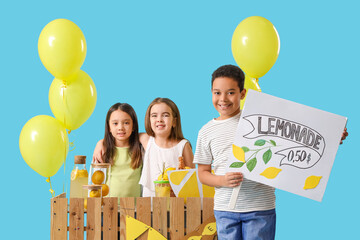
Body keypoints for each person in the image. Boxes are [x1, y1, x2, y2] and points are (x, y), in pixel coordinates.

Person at [193, 64, 348, 240]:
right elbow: (203, 173)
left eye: (230, 92)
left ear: (242, 94)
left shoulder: (259, 119)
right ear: (211, 93)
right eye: (217, 92)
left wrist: (332, 135)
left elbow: (299, 134)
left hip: (260, 207)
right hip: (225, 209)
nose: (223, 99)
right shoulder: (206, 131)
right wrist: (221, 180)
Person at [93, 98, 194, 197]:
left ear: (174, 121)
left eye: (165, 115)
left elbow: (192, 184)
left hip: (175, 206)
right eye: (154, 116)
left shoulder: (183, 146)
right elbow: (122, 135)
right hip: (147, 207)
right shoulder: (147, 141)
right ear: (149, 120)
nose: (159, 119)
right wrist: (101, 143)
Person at [93, 102, 143, 199]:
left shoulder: (141, 149)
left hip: (135, 208)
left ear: (133, 126)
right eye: (115, 123)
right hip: (108, 207)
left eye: (126, 123)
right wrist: (100, 143)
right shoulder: (103, 151)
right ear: (109, 127)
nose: (120, 127)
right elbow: (95, 181)